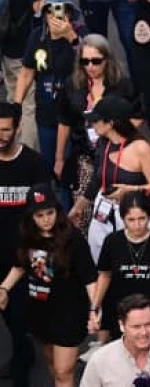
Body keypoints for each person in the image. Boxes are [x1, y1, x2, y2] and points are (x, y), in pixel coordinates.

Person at [0, 184, 96, 387]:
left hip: (68, 313)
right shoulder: (27, 237)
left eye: (50, 213)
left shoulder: (73, 240)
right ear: (31, 217)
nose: (46, 219)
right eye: (39, 215)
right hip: (39, 311)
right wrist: (4, 288)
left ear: (57, 211)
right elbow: (20, 266)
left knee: (64, 372)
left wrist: (95, 308)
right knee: (52, 364)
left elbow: (90, 278)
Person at [55, 34, 134, 216]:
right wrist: (59, 158)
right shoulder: (72, 84)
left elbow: (137, 115)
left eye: (96, 61)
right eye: (85, 61)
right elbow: (64, 121)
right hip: (84, 153)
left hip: (116, 155)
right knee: (82, 212)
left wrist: (120, 134)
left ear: (107, 59)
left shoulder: (121, 84)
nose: (90, 66)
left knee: (116, 207)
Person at [0, 102, 51, 387]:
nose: (0, 135)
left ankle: (21, 367)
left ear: (18, 128)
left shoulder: (34, 164)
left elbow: (45, 212)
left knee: (20, 315)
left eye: (6, 130)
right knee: (7, 315)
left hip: (25, 254)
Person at [90, 193, 150, 342]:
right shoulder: (112, 242)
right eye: (131, 220)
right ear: (123, 218)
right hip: (122, 315)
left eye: (142, 218)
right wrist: (95, 307)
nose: (137, 224)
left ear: (149, 216)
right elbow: (105, 275)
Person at [79, 96, 150, 259]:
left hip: (133, 214)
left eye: (96, 120)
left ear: (111, 123)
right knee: (99, 260)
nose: (92, 124)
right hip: (102, 211)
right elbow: (98, 177)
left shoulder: (142, 148)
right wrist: (79, 207)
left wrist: (131, 190)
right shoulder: (104, 143)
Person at [14, 0, 84, 182]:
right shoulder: (37, 36)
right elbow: (27, 72)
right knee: (48, 166)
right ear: (45, 14)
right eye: (50, 11)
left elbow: (90, 63)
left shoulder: (79, 34)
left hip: (73, 114)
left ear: (69, 13)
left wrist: (71, 37)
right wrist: (16, 107)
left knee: (70, 168)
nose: (55, 16)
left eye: (61, 10)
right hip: (45, 112)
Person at [79, 294, 150, 387]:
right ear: (122, 325)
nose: (144, 332)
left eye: (148, 324)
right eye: (136, 327)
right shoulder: (100, 361)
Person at [0, 0, 43, 152]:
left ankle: (7, 142)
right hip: (24, 51)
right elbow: (39, 7)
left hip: (6, 47)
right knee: (28, 105)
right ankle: (25, 155)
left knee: (12, 96)